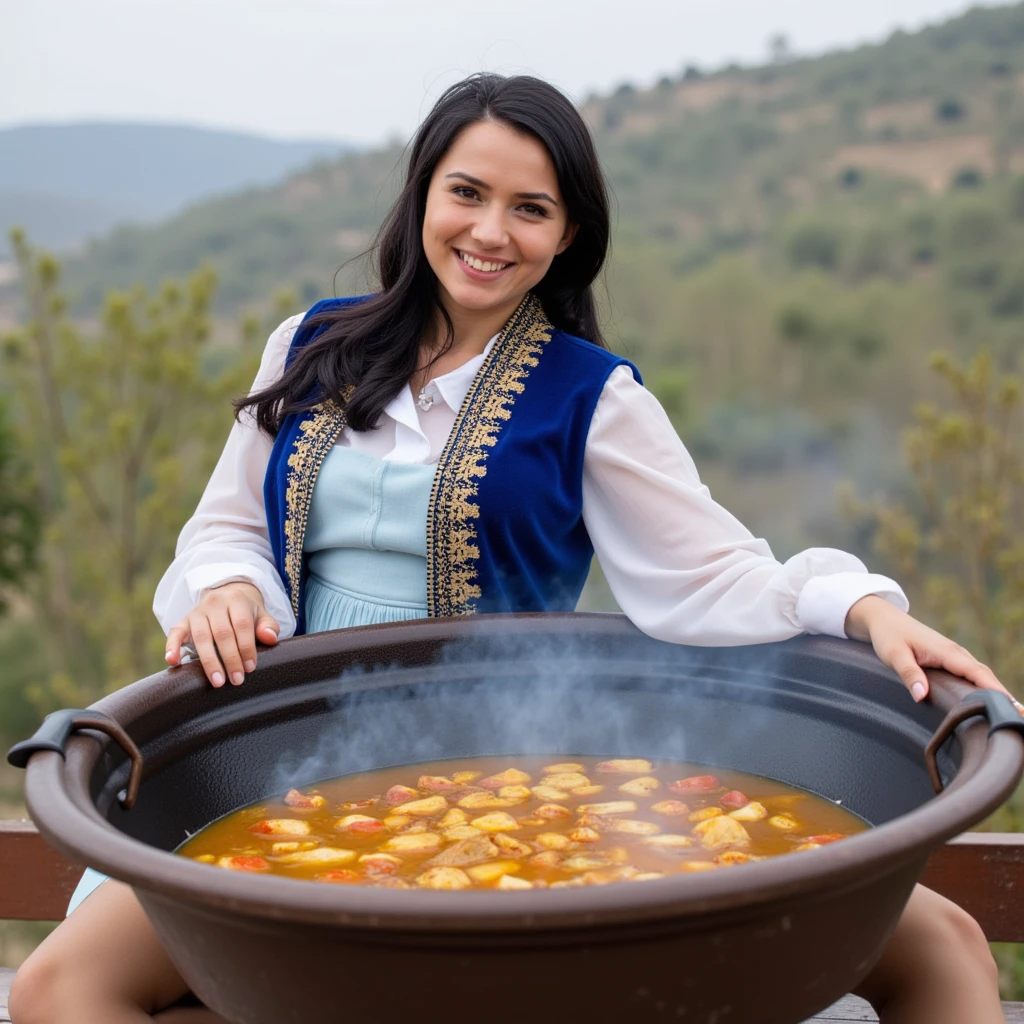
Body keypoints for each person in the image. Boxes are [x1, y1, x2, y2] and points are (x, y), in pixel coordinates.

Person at [9, 73, 1013, 1024]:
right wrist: (227, 584)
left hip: (507, 777)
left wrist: (866, 606)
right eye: (468, 193)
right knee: (57, 985)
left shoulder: (595, 399)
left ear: (568, 232)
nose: (491, 231)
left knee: (946, 947)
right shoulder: (308, 345)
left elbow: (714, 574)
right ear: (421, 197)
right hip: (271, 758)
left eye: (530, 208)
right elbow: (225, 523)